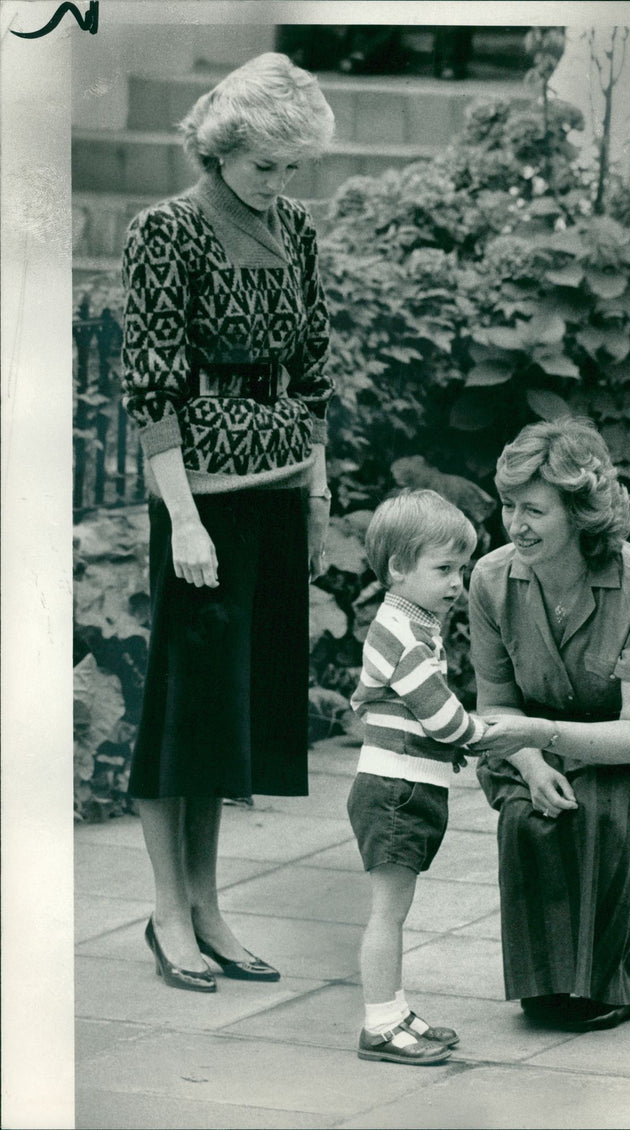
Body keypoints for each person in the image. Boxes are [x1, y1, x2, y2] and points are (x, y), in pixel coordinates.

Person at [120, 53, 335, 992]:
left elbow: (314, 369)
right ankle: (168, 910)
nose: (280, 186)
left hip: (281, 484)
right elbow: (151, 387)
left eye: (293, 169)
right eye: (265, 169)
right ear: (220, 151)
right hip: (199, 495)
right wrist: (186, 520)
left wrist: (320, 494)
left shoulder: (298, 231)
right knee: (182, 702)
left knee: (230, 709)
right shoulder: (164, 232)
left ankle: (210, 907)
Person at [469, 418, 630, 1031]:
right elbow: (497, 703)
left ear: (580, 513)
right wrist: (530, 762)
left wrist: (543, 737)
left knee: (604, 809)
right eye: (509, 506)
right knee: (528, 817)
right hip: (538, 730)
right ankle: (550, 978)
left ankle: (612, 979)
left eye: (534, 510)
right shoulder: (490, 580)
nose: (516, 525)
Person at [347, 490, 487, 1064]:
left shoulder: (411, 623)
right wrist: (483, 734)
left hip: (403, 787)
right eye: (444, 569)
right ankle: (380, 1024)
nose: (457, 582)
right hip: (395, 792)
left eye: (463, 569)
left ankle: (396, 1012)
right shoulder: (404, 634)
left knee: (394, 909)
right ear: (398, 569)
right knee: (388, 912)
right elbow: (439, 713)